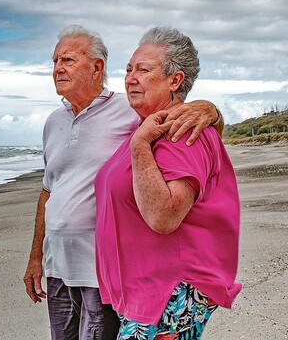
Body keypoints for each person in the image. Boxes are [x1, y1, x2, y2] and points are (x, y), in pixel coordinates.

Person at [23, 24, 224, 340]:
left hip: (101, 270)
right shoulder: (53, 122)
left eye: (68, 60)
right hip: (57, 266)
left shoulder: (128, 110)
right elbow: (49, 191)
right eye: (54, 61)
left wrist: (210, 110)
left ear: (97, 68)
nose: (57, 68)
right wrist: (36, 258)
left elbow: (185, 129)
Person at [94, 26, 241, 339]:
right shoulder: (146, 125)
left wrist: (139, 145)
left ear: (175, 80)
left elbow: (164, 216)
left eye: (143, 70)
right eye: (128, 69)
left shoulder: (184, 130)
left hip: (168, 292)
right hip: (144, 292)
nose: (130, 78)